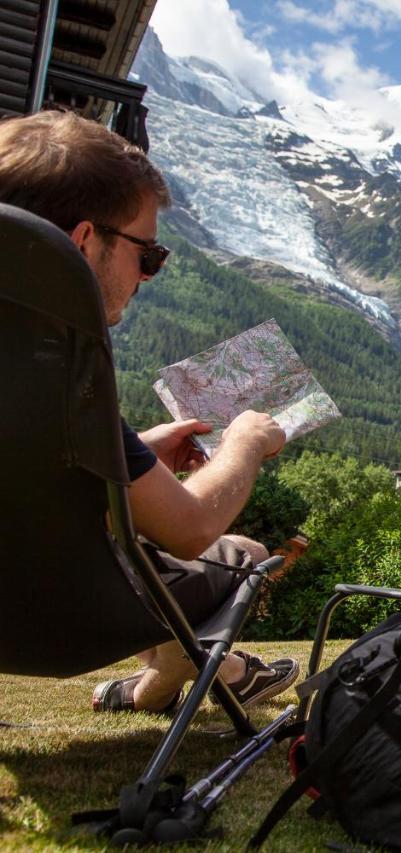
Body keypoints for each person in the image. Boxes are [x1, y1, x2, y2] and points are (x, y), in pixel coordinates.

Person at [0, 110, 299, 713]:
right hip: (59, 621)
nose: (148, 276)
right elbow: (189, 528)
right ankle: (200, 671)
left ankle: (163, 684)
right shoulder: (61, 370)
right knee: (237, 553)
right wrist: (244, 441)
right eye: (148, 253)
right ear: (84, 241)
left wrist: (130, 448)